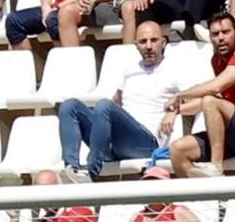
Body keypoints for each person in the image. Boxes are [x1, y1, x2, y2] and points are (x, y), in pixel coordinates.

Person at [58, 19, 191, 182]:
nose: (148, 46)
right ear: (136, 45)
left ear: (163, 43)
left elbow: (197, 100)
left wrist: (175, 111)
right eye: (143, 41)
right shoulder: (130, 69)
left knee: (104, 106)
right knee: (69, 106)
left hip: (146, 143)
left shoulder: (175, 69)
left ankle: (92, 172)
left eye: (153, 40)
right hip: (116, 143)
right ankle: (72, 169)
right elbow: (117, 102)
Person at [165, 11, 235, 175]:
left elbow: (215, 89)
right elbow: (218, 98)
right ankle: (203, 196)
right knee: (177, 149)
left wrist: (179, 95)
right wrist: (176, 110)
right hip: (234, 136)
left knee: (210, 100)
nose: (221, 38)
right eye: (215, 34)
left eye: (226, 32)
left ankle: (216, 167)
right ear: (210, 38)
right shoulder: (217, 60)